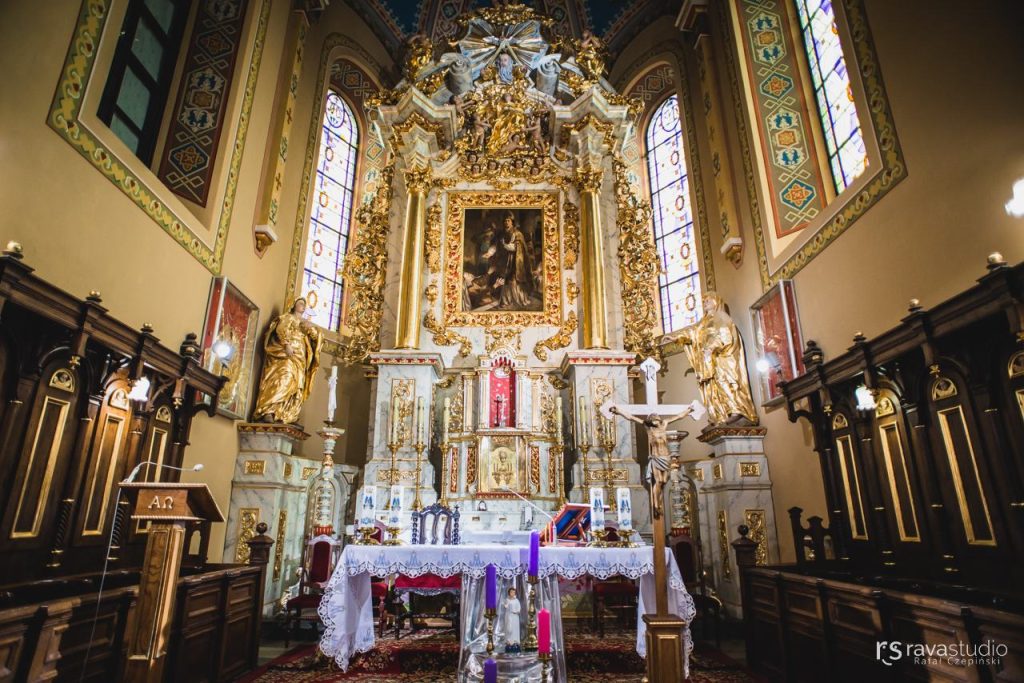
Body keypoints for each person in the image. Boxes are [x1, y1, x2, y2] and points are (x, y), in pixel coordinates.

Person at [676, 292, 759, 425]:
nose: (705, 303)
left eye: (708, 300)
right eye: (704, 301)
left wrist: (712, 348)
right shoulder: (703, 322)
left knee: (726, 382)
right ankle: (721, 415)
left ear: (716, 301)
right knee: (714, 388)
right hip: (710, 362)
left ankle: (736, 410)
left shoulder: (722, 317)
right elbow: (691, 331)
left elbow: (727, 336)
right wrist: (674, 336)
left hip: (723, 358)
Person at [610, 405, 696, 519]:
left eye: (657, 419)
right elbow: (631, 417)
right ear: (651, 421)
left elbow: (678, 416)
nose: (656, 420)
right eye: (654, 419)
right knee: (659, 481)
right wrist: (618, 411)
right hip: (656, 458)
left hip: (666, 457)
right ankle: (656, 504)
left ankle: (659, 501)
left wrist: (688, 411)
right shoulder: (649, 428)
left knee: (664, 481)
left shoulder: (664, 424)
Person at [252, 298, 323, 425]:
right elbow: (281, 329)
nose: (303, 306)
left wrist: (312, 330)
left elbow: (315, 337)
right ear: (293, 305)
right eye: (300, 303)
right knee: (285, 377)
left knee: (297, 384)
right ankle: (270, 410)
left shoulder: (305, 322)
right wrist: (286, 344)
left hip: (300, 357)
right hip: (287, 354)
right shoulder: (288, 317)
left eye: (304, 305)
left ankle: (287, 414)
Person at [483, 212, 534, 310]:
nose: (506, 222)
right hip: (504, 261)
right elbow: (496, 246)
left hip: (515, 261)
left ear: (512, 222)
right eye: (505, 221)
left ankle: (518, 300)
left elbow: (518, 248)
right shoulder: (502, 234)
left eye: (508, 220)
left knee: (513, 281)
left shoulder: (518, 234)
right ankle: (506, 301)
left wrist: (506, 246)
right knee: (505, 281)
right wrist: (489, 253)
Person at [503, 587, 521, 653]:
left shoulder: (516, 600)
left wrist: (516, 611)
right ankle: (509, 641)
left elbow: (519, 608)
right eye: (511, 592)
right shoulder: (507, 600)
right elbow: (506, 606)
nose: (512, 593)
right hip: (508, 616)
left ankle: (515, 641)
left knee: (514, 629)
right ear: (509, 593)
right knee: (508, 629)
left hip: (515, 616)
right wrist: (505, 605)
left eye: (513, 592)